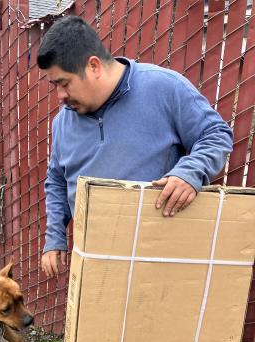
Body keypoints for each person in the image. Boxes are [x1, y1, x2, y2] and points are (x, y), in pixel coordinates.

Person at [37, 16, 233, 278]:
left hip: (157, 258)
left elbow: (216, 134)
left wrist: (190, 172)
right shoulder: (63, 122)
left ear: (93, 66)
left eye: (63, 83)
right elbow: (57, 180)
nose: (60, 96)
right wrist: (55, 237)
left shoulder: (163, 88)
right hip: (94, 259)